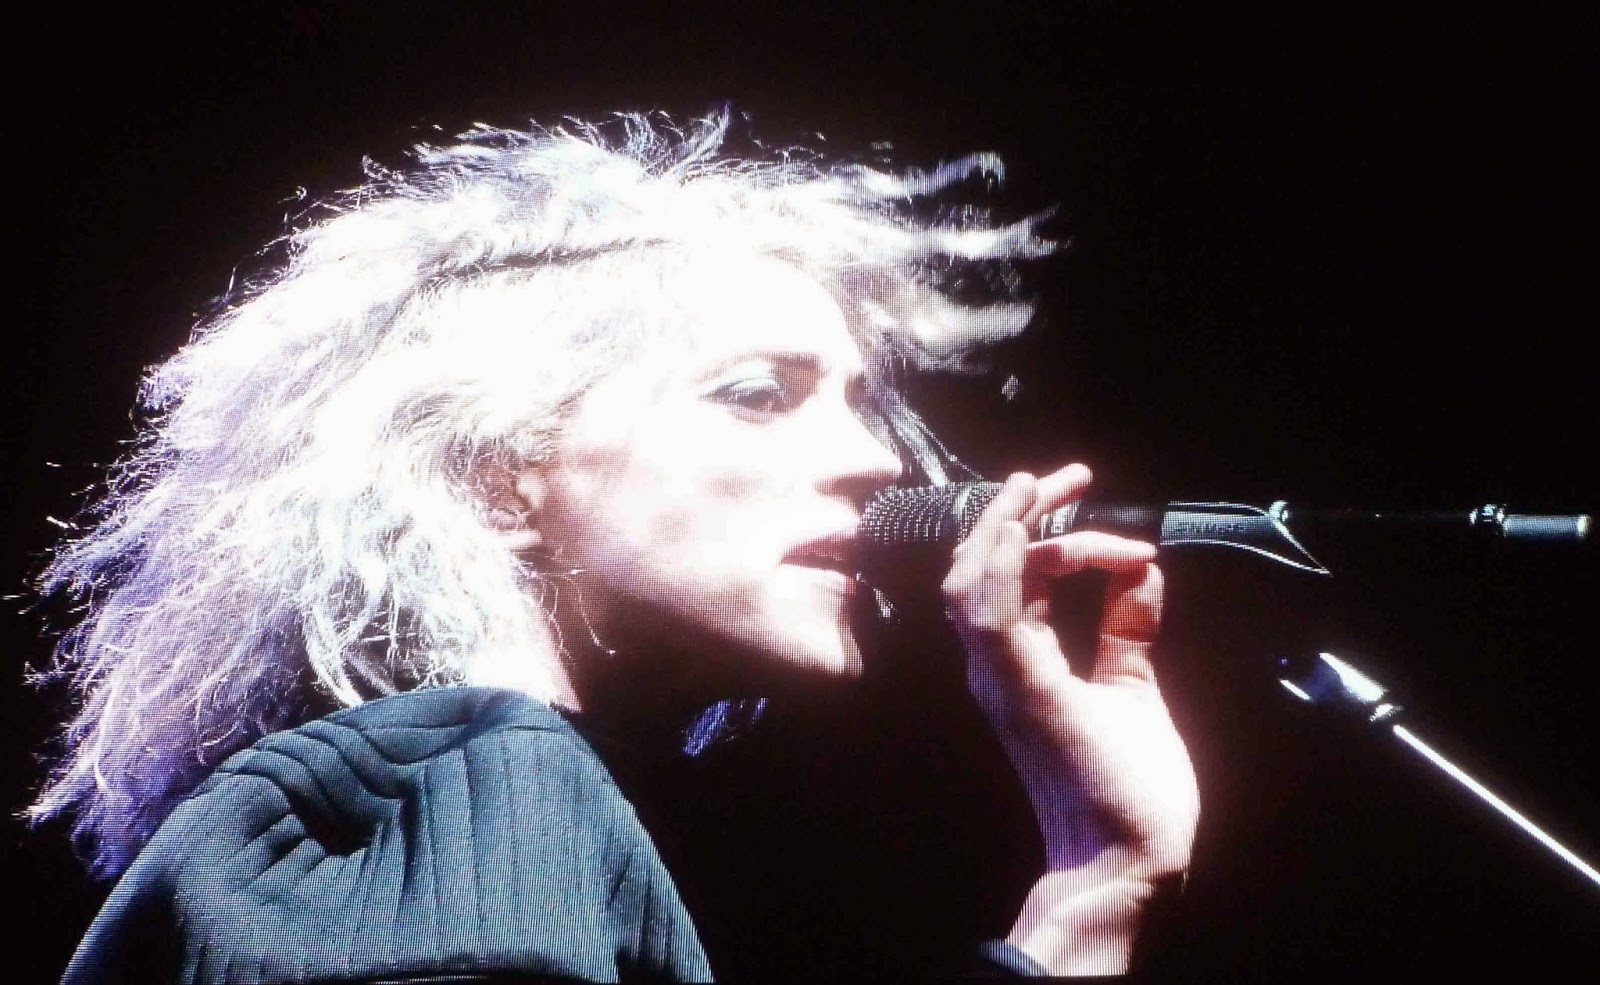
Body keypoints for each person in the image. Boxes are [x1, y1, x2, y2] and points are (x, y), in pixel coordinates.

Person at [29, 110, 1198, 981]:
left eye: (857, 403)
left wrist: (1097, 879)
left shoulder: (492, 805)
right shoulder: (476, 782)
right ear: (501, 476)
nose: (876, 462)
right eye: (757, 393)